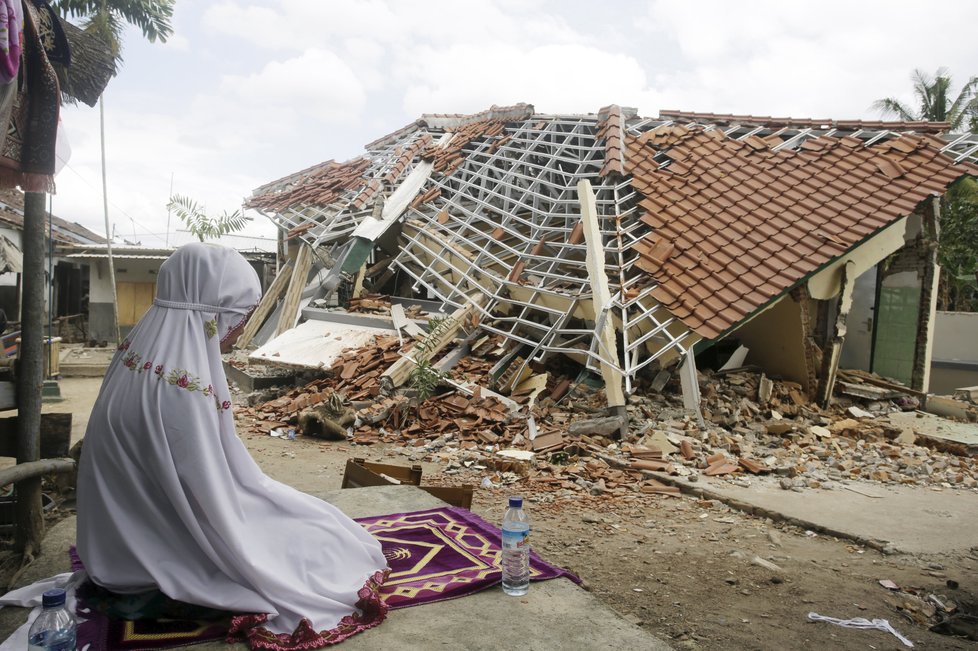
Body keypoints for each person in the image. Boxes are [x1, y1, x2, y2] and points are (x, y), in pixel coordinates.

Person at [75, 242, 389, 650]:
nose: (239, 328)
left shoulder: (138, 353)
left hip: (116, 541)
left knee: (307, 521)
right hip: (153, 548)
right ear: (212, 311)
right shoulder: (179, 386)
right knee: (319, 541)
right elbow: (209, 495)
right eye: (237, 316)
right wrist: (256, 515)